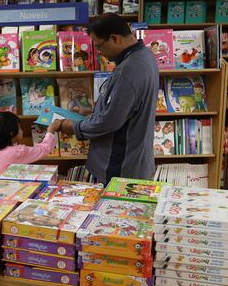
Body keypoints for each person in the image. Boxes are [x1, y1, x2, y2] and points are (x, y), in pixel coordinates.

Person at [56, 13, 158, 183]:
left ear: (115, 38)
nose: (99, 53)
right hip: (132, 160)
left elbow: (109, 122)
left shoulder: (129, 70)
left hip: (121, 165)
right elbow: (125, 107)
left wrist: (73, 126)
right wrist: (92, 111)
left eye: (99, 46)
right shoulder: (143, 56)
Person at [0, 112, 61, 180]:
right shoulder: (18, 152)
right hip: (16, 193)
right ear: (11, 133)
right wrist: (51, 130)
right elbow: (43, 149)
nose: (22, 130)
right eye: (19, 127)